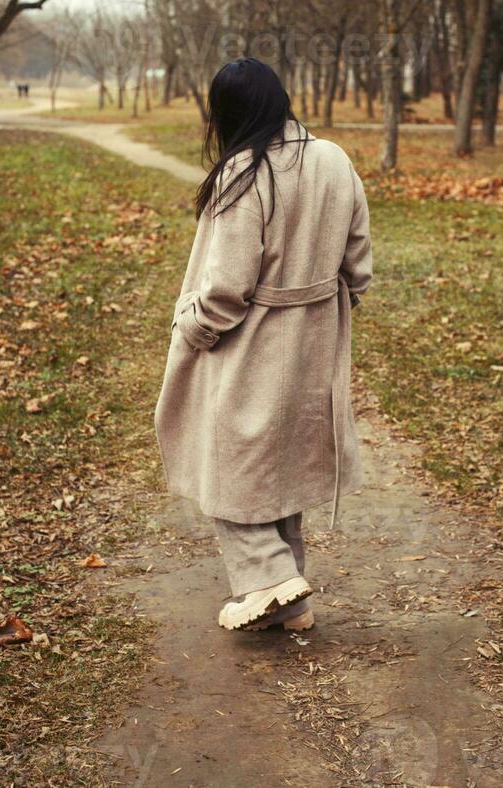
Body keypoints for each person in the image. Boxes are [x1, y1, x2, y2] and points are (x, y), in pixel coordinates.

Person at [155, 58, 372, 632]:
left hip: (251, 339)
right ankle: (291, 602)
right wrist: (327, 306)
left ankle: (270, 576)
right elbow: (359, 260)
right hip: (316, 337)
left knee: (231, 462)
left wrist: (194, 327)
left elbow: (227, 288)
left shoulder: (245, 173)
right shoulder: (334, 158)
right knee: (282, 462)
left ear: (226, 112)